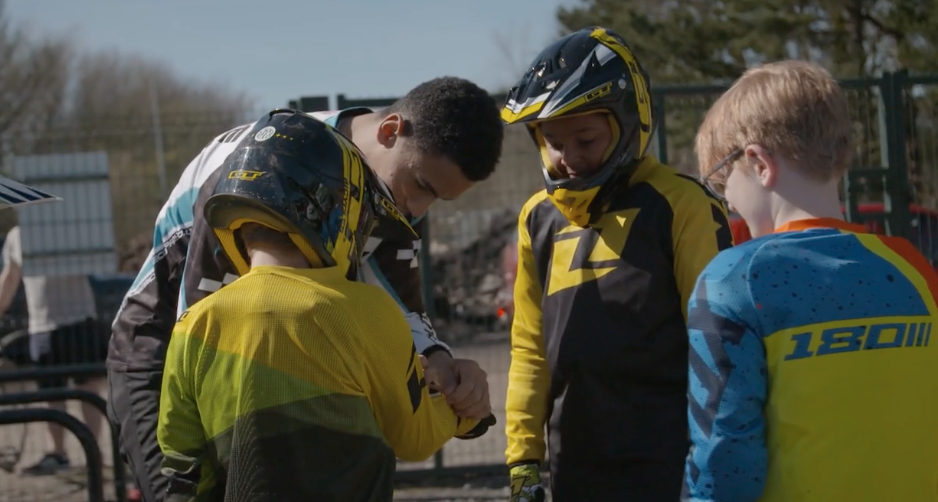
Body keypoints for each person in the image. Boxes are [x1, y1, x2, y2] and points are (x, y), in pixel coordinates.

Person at [108, 76, 503, 501]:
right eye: (423, 186)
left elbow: (404, 310)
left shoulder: (391, 191)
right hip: (164, 346)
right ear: (391, 131)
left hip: (251, 342)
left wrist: (441, 364)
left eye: (439, 200)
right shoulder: (264, 160)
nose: (419, 211)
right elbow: (205, 322)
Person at [684, 60, 938, 502]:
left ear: (758, 163)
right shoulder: (913, 267)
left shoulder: (735, 279)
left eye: (723, 185)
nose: (728, 205)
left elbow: (724, 457)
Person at [501, 26, 733, 502]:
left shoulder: (682, 205)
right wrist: (523, 459)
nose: (569, 158)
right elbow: (529, 348)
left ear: (630, 122)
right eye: (552, 141)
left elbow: (718, 346)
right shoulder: (536, 219)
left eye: (586, 138)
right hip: (575, 466)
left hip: (670, 464)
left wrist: (717, 460)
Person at [0, 222, 108, 475]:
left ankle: (95, 453)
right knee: (51, 393)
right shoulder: (17, 236)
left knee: (88, 389)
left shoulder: (66, 227)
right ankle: (56, 454)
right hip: (42, 326)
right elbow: (10, 277)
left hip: (79, 320)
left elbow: (95, 261)